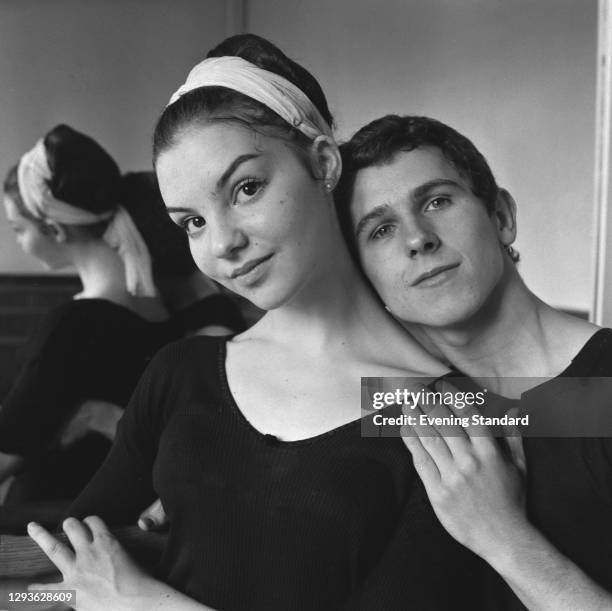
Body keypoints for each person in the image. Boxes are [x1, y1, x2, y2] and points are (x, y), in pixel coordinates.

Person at [26, 36, 489, 611]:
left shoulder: (445, 413)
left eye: (246, 189)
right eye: (192, 221)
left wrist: (142, 602)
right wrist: (47, 596)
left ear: (322, 162)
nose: (223, 243)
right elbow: (47, 585)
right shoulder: (184, 373)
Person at [336, 114, 612, 609]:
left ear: (501, 216)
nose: (417, 238)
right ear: (365, 279)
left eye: (437, 201)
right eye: (380, 230)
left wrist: (502, 537)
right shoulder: (397, 402)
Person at [0, 126, 177, 516]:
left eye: (18, 230)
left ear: (55, 228)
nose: (18, 242)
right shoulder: (161, 312)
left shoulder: (74, 324)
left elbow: (9, 449)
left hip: (52, 519)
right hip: (107, 510)